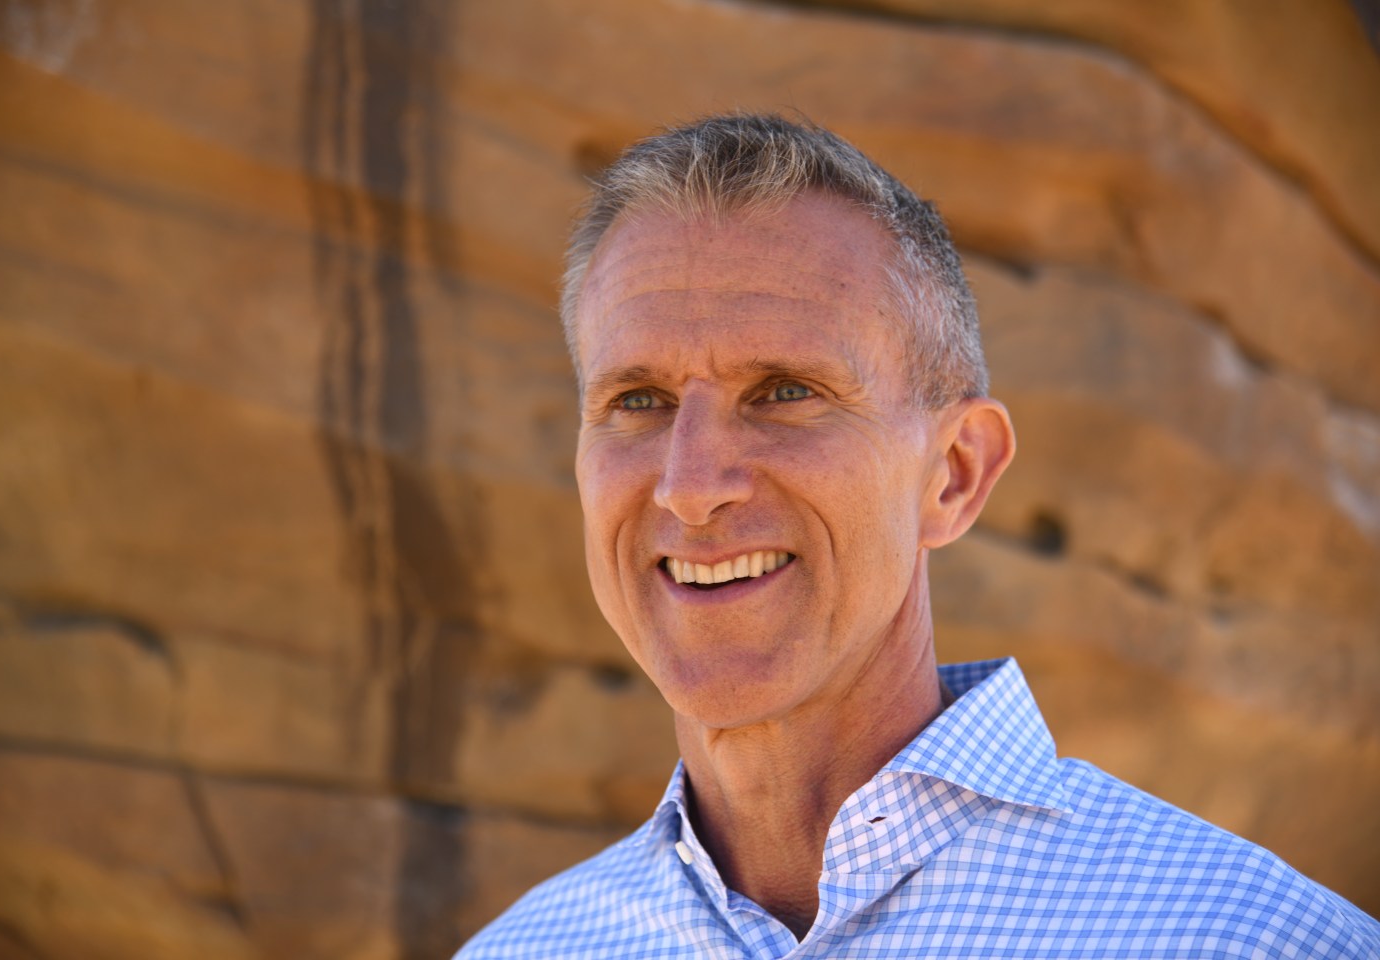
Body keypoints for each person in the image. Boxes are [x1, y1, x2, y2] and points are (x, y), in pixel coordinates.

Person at [456, 114, 1379, 958]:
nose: (691, 486)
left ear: (955, 474)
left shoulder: (1248, 940)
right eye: (638, 401)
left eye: (785, 392)